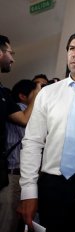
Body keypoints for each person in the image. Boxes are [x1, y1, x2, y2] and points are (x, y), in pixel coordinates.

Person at [18, 31, 75, 232]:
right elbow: (32, 142)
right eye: (71, 48)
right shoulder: (48, 94)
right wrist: (28, 191)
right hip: (51, 186)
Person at [0, 35, 40, 191]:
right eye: (11, 53)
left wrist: (36, 95)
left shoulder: (3, 92)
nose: (13, 59)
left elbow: (24, 119)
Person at [0, 79, 36, 232]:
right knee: (7, 224)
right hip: (12, 176)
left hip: (13, 176)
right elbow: (26, 123)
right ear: (22, 96)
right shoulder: (21, 110)